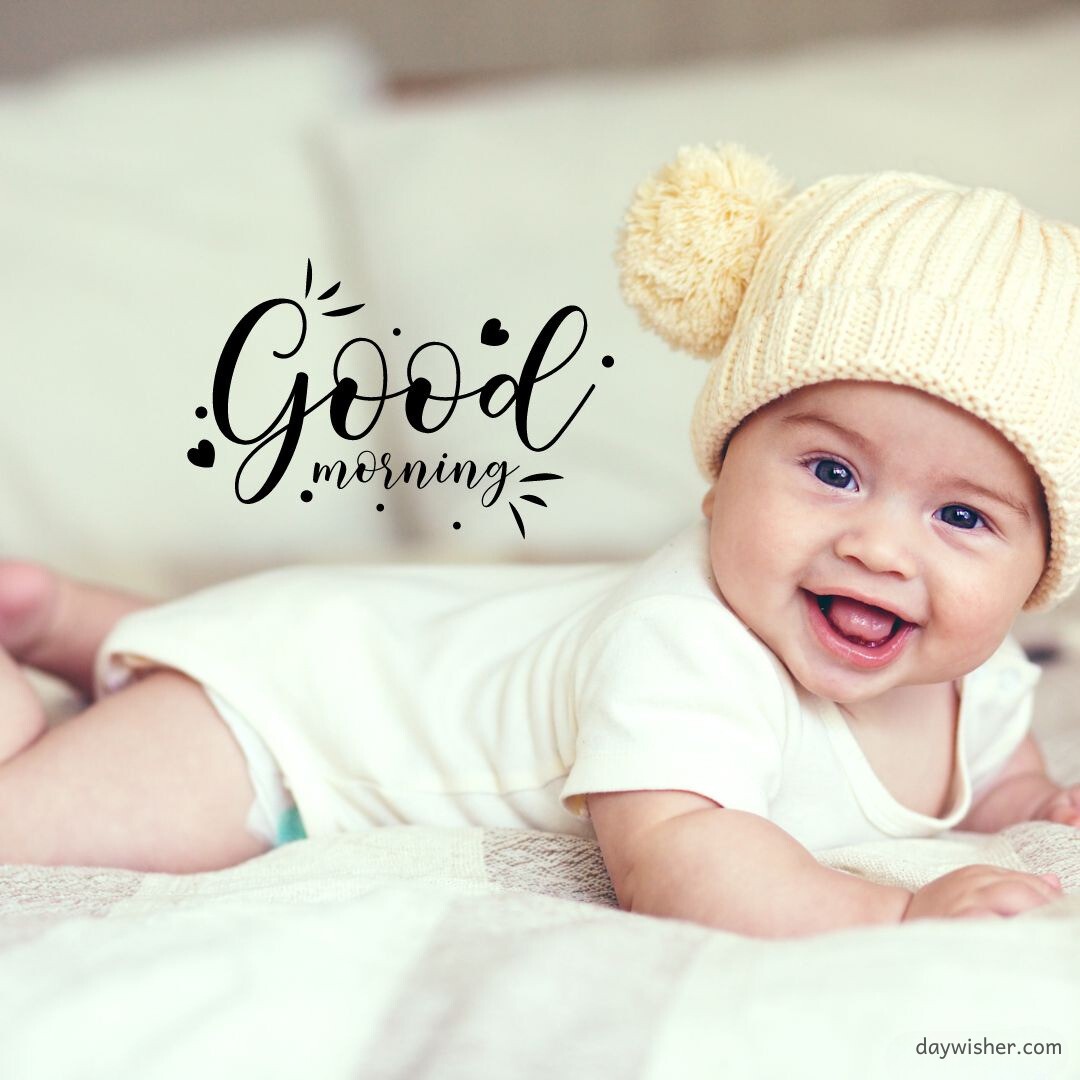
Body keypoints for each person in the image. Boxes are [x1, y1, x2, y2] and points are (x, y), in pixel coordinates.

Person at [0, 143, 1077, 939]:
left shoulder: (979, 683)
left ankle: (79, 623)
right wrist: (892, 917)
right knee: (32, 825)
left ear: (1041, 574)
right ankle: (61, 681)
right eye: (833, 473)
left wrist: (1029, 804)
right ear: (718, 478)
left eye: (963, 517)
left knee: (328, 629)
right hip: (289, 724)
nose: (881, 550)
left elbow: (986, 773)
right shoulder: (687, 646)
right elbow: (683, 861)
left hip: (365, 629)